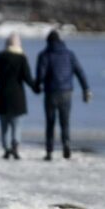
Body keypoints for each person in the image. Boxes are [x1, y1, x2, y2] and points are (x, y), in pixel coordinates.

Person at [35, 30, 92, 161]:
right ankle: (66, 144)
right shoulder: (70, 54)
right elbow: (80, 72)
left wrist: (37, 86)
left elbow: (41, 75)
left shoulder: (44, 55)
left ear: (48, 41)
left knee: (50, 123)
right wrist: (86, 89)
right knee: (65, 122)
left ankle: (49, 151)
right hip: (66, 93)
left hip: (50, 93)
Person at [0, 33, 37, 160]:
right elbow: (28, 78)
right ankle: (15, 146)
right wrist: (36, 88)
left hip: (2, 98)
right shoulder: (22, 58)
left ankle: (6, 149)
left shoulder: (0, 57)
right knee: (17, 124)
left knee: (4, 126)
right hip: (18, 98)